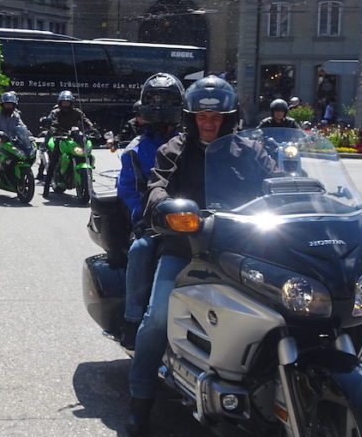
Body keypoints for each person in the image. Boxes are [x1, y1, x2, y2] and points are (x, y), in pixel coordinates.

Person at [126, 76, 278, 435]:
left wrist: (307, 193)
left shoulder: (251, 150)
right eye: (201, 117)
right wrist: (163, 205)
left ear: (228, 118)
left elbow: (278, 180)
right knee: (157, 317)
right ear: (191, 118)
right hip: (187, 250)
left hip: (245, 248)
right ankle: (139, 401)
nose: (209, 123)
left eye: (216, 117)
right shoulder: (173, 150)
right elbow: (157, 186)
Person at [116, 73, 183, 350]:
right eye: (154, 100)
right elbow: (128, 189)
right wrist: (142, 217)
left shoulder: (188, 142)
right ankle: (132, 320)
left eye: (166, 100)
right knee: (140, 250)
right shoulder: (136, 148)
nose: (159, 106)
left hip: (191, 219)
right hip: (152, 222)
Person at [43, 90, 95, 188]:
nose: (65, 104)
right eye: (64, 102)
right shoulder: (56, 112)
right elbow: (53, 123)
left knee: (86, 150)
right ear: (60, 103)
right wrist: (54, 130)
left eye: (67, 102)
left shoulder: (77, 112)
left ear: (71, 103)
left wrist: (92, 128)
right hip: (60, 137)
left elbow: (85, 120)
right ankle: (47, 185)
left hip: (74, 137)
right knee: (53, 161)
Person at [0, 91, 33, 168]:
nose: (8, 106)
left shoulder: (16, 115)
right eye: (7, 104)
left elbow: (21, 126)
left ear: (14, 105)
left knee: (22, 158)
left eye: (10, 105)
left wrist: (28, 136)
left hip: (12, 143)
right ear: (2, 105)